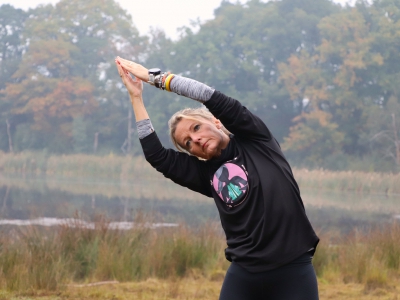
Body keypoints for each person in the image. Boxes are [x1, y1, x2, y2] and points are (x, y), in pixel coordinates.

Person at [115, 56, 320, 300]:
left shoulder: (256, 139)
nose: (196, 140)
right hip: (245, 274)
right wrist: (136, 97)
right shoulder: (206, 175)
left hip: (293, 269)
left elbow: (208, 95)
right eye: (187, 143)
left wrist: (155, 79)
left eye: (196, 128)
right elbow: (156, 156)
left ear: (215, 120)